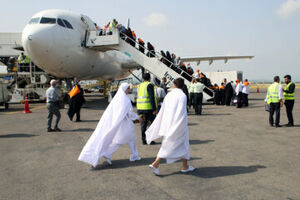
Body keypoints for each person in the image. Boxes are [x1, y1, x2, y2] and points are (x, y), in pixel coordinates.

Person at [78, 83, 142, 168]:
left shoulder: (117, 98)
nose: (129, 90)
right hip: (125, 123)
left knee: (127, 139)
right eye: (128, 89)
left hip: (119, 123)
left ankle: (133, 155)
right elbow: (129, 113)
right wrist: (138, 117)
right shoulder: (125, 99)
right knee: (123, 140)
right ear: (124, 89)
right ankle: (109, 154)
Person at [146, 78, 194, 175]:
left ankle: (185, 166)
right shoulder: (182, 96)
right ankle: (156, 163)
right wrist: (180, 125)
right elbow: (181, 112)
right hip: (178, 124)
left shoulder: (169, 95)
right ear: (183, 86)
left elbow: (164, 110)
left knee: (178, 144)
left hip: (168, 124)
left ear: (174, 85)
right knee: (173, 144)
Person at [137, 73, 158, 145]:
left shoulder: (140, 85)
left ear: (143, 78)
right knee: (152, 125)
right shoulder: (149, 85)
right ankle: (150, 140)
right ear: (149, 78)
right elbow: (151, 97)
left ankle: (143, 140)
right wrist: (154, 109)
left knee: (143, 125)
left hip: (140, 108)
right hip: (148, 108)